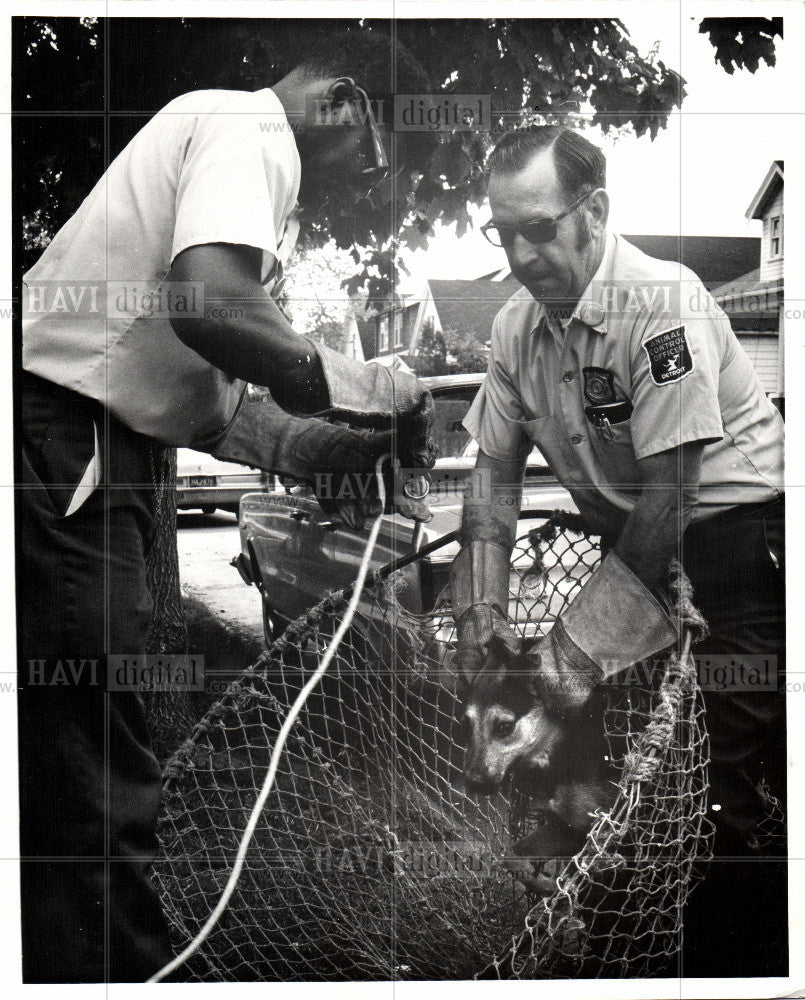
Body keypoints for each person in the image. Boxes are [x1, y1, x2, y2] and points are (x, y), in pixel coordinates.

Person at [17, 31, 436, 983]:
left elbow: (218, 401)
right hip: (74, 434)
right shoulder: (246, 130)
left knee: (89, 737)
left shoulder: (222, 141)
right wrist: (373, 391)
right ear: (347, 102)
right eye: (368, 161)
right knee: (92, 754)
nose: (353, 184)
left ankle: (88, 956)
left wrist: (326, 449)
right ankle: (104, 972)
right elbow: (210, 306)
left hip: (97, 438)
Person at [450, 124, 785, 978]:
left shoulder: (660, 305)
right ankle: (614, 972)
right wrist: (481, 628)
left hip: (734, 559)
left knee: (711, 804)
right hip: (629, 564)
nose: (521, 254)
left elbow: (668, 498)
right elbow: (489, 481)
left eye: (538, 228)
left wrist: (564, 662)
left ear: (593, 212)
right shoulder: (514, 330)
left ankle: (739, 978)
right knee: (601, 794)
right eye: (503, 232)